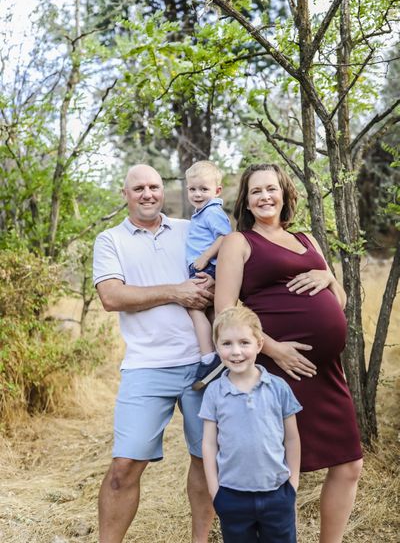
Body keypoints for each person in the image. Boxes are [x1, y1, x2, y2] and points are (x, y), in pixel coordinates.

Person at [215, 163, 363, 543]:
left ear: (284, 193)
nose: (265, 197)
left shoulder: (308, 239)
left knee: (349, 464)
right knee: (274, 470)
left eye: (271, 189)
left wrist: (329, 278)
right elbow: (225, 311)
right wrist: (274, 349)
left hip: (325, 371)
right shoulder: (239, 242)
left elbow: (341, 301)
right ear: (246, 202)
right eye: (255, 192)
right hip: (274, 370)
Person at [92, 164, 215, 543]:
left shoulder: (189, 228)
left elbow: (223, 265)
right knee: (124, 467)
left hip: (203, 365)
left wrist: (212, 279)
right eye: (139, 188)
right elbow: (112, 296)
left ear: (164, 190)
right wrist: (176, 291)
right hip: (146, 367)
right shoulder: (110, 240)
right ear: (125, 194)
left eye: (155, 186)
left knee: (206, 460)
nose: (148, 193)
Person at [200, 305, 302, 543]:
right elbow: (209, 444)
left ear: (259, 344)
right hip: (232, 496)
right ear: (217, 347)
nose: (236, 352)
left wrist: (293, 483)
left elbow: (292, 438)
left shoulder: (278, 388)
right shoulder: (214, 393)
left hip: (277, 493)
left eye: (244, 342)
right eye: (227, 344)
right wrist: (216, 492)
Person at [185, 160, 232, 390]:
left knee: (193, 307)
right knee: (212, 311)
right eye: (192, 189)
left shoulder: (212, 211)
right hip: (205, 267)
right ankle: (222, 354)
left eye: (204, 189)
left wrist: (204, 258)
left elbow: (226, 237)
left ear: (217, 191)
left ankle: (208, 358)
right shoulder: (201, 213)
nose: (197, 194)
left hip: (207, 267)